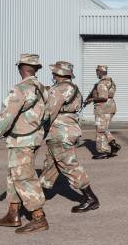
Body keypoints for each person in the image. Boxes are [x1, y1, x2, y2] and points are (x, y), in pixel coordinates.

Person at [0, 53, 50, 234]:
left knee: (24, 177)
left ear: (21, 68)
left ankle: (38, 217)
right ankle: (13, 214)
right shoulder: (42, 88)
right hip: (32, 137)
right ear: (35, 69)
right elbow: (47, 116)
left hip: (21, 140)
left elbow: (6, 118)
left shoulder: (21, 88)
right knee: (14, 175)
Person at [39, 61, 99, 213]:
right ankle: (39, 195)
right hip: (67, 130)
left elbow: (48, 113)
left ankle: (90, 198)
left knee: (69, 166)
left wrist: (34, 127)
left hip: (60, 132)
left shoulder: (59, 89)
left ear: (58, 74)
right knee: (51, 165)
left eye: (54, 72)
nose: (52, 75)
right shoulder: (73, 87)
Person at [85, 65, 120, 159]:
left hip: (103, 109)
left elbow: (103, 97)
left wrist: (92, 99)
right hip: (110, 107)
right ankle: (113, 144)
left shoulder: (102, 83)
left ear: (100, 72)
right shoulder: (110, 81)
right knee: (104, 128)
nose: (96, 74)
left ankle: (103, 152)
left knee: (100, 130)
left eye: (97, 72)